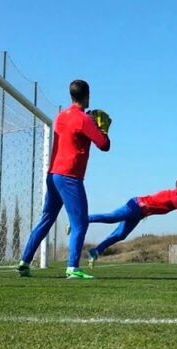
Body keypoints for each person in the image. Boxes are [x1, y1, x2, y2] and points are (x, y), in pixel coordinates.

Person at [17, 79, 111, 279]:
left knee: (46, 220)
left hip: (53, 175)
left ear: (71, 95)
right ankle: (72, 268)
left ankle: (24, 262)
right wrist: (102, 128)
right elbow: (104, 144)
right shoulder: (85, 120)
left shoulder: (60, 116)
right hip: (70, 177)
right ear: (87, 95)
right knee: (80, 224)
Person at [83, 178, 177, 266]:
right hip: (136, 206)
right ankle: (80, 219)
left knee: (120, 235)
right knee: (111, 218)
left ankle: (95, 251)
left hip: (139, 213)